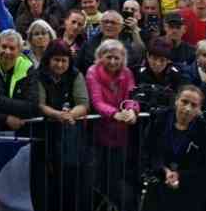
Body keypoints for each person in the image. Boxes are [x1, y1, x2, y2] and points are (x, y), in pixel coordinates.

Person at [143, 85, 206, 211]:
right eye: (184, 102)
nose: (188, 108)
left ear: (199, 109)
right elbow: (149, 151)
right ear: (176, 101)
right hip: (158, 186)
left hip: (190, 191)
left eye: (194, 105)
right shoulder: (159, 120)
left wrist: (180, 176)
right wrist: (163, 170)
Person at [34, 39, 90, 211]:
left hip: (70, 137)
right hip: (44, 134)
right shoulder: (38, 75)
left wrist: (70, 115)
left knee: (70, 180)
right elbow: (40, 104)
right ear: (48, 59)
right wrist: (58, 115)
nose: (60, 64)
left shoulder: (75, 74)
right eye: (56, 60)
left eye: (64, 60)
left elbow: (84, 103)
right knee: (46, 182)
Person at [85, 39, 139, 211]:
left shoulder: (127, 73)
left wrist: (132, 110)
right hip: (98, 135)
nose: (113, 62)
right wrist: (115, 114)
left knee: (116, 179)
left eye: (117, 58)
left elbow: (132, 96)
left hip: (121, 135)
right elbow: (97, 102)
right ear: (100, 57)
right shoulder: (92, 72)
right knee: (95, 179)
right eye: (109, 57)